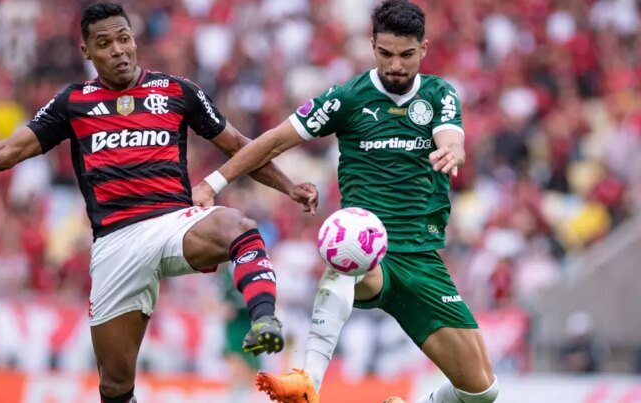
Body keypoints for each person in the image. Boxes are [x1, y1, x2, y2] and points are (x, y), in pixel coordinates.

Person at [0, 3, 318, 403]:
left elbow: (239, 147)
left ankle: (264, 318)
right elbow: (8, 152)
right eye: (105, 43)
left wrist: (288, 186)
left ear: (134, 39)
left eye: (124, 39)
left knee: (239, 228)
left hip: (174, 223)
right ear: (86, 51)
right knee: (116, 388)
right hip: (115, 245)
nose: (118, 49)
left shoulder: (176, 91)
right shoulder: (73, 102)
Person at [193, 1, 499, 402]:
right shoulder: (347, 98)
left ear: (423, 49)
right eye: (385, 53)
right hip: (370, 248)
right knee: (349, 241)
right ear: (372, 45)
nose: (395, 65)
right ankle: (308, 380)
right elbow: (273, 140)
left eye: (406, 55)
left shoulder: (440, 95)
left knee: (482, 391)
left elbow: (450, 137)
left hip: (423, 257)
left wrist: (454, 152)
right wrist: (213, 181)